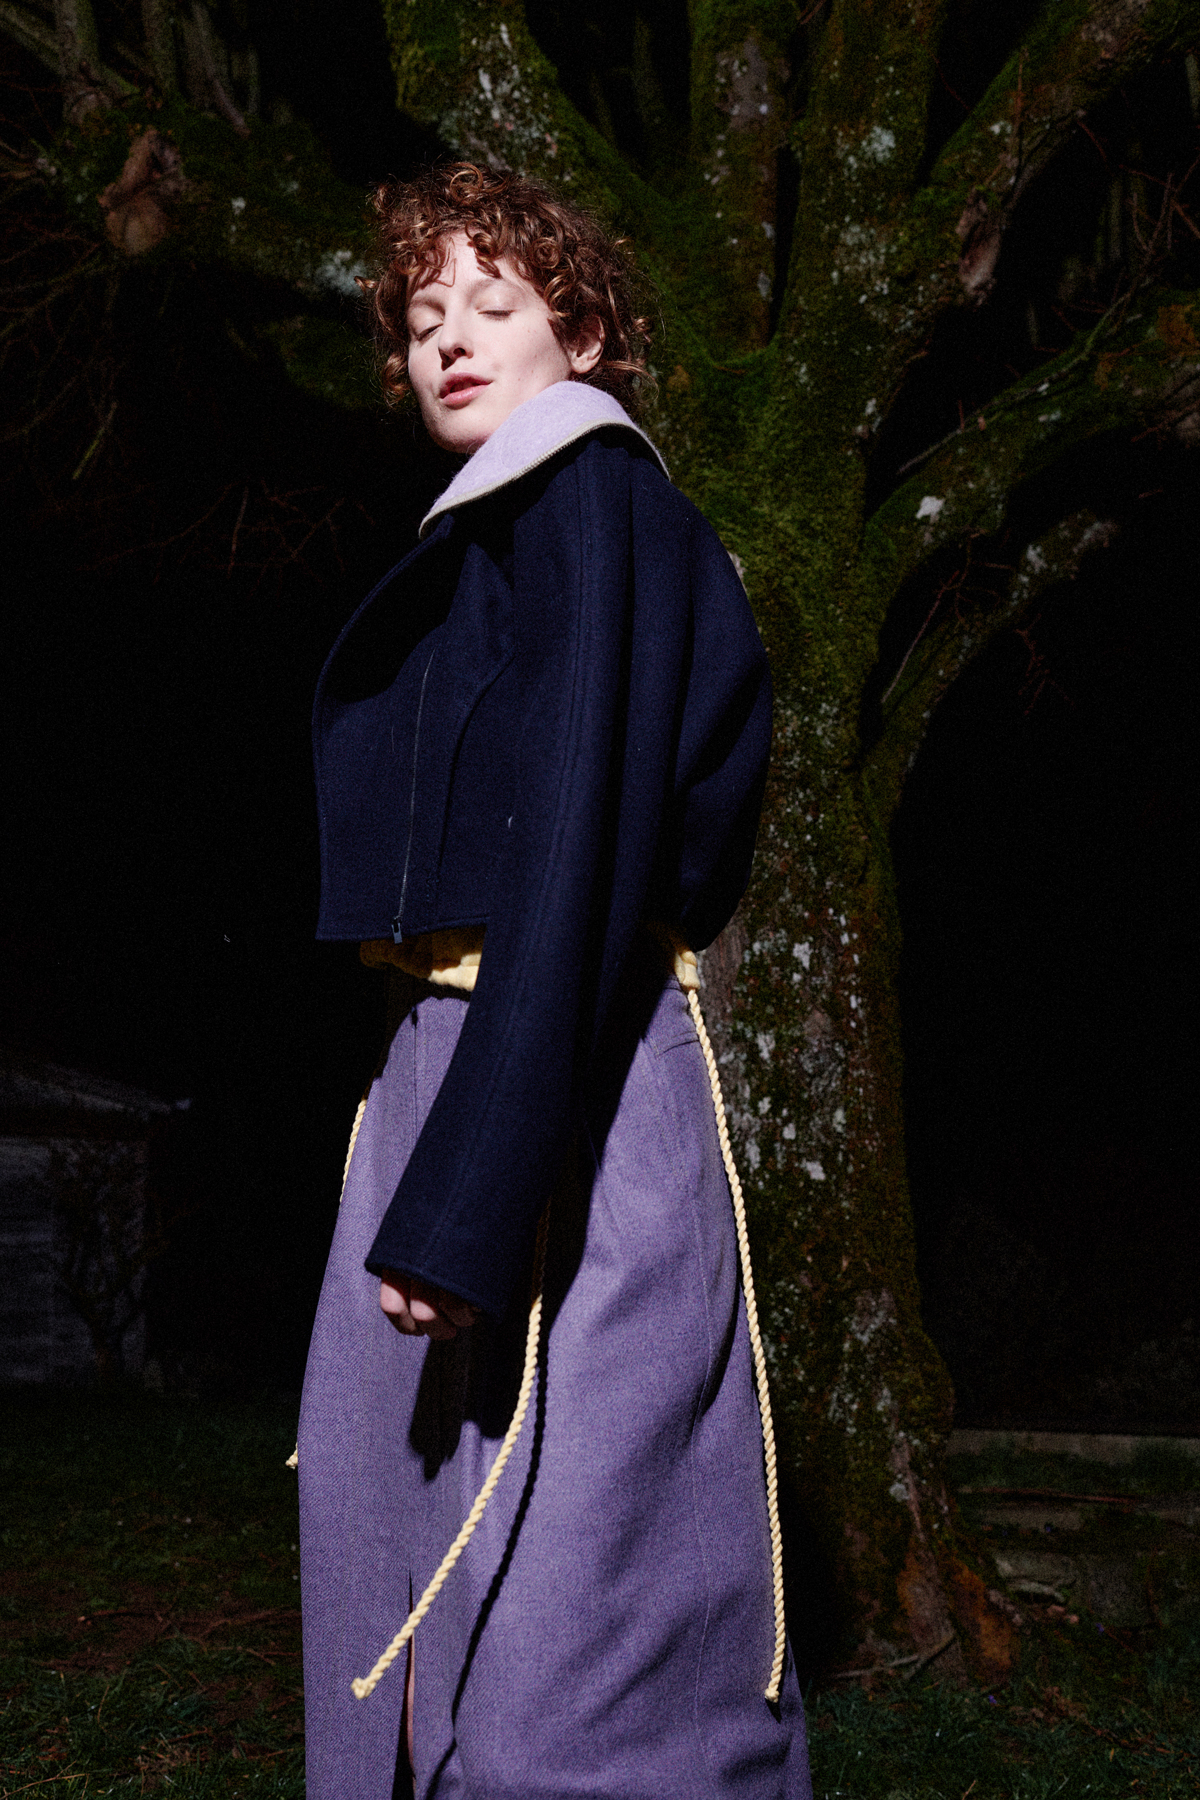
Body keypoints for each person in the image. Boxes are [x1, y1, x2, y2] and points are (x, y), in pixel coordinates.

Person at [298, 161, 812, 1800]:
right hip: (454, 1068)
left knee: (579, 1609)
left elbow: (584, 850)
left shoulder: (595, 501)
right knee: (407, 1554)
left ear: (580, 334)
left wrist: (468, 1198)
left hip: (564, 1079)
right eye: (422, 316)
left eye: (494, 301)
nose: (447, 337)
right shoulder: (499, 535)